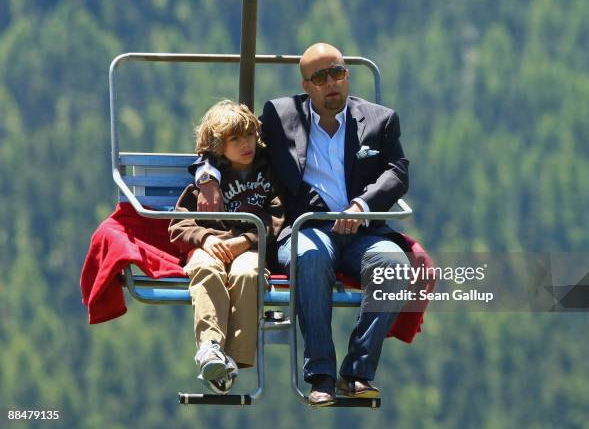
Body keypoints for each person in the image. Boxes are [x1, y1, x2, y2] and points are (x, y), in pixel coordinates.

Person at [193, 43, 411, 406]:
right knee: (309, 258)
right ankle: (321, 374)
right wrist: (207, 177)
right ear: (306, 85)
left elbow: (397, 172)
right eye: (320, 77)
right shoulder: (281, 115)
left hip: (362, 231)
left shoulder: (378, 119)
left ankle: (357, 371)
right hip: (306, 227)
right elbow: (224, 140)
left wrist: (361, 205)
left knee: (394, 267)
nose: (332, 84)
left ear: (347, 76)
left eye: (338, 73)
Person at [168, 100, 284, 394]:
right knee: (205, 269)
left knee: (248, 274)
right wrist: (206, 239)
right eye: (235, 139)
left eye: (249, 136)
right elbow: (179, 225)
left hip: (248, 248)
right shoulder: (206, 185)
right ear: (219, 146)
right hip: (210, 248)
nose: (246, 144)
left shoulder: (269, 176)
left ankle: (233, 358)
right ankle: (210, 346)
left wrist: (245, 240)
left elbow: (278, 217)